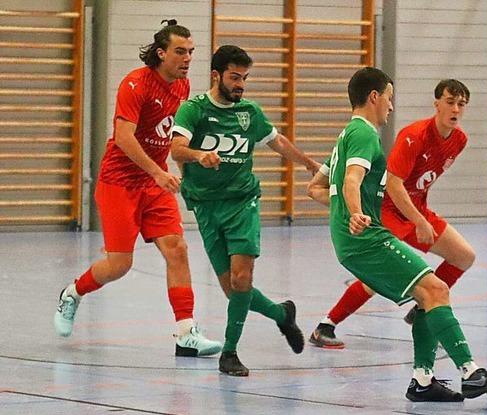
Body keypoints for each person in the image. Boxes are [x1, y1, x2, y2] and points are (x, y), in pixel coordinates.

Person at [307, 67, 487, 402]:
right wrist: (358, 213)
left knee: (428, 294)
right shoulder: (365, 135)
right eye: (389, 97)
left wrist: (345, 211)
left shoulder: (348, 135)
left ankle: (422, 380)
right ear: (374, 97)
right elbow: (351, 182)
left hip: (356, 238)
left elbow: (317, 188)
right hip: (368, 237)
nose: (391, 105)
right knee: (435, 290)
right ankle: (471, 373)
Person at [53, 20, 222, 358]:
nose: (187, 58)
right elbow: (125, 137)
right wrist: (157, 173)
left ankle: (186, 332)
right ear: (161, 53)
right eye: (180, 51)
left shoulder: (183, 86)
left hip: (153, 182)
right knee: (119, 264)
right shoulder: (135, 84)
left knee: (177, 248)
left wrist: (182, 171)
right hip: (119, 182)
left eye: (191, 52)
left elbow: (170, 136)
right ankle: (73, 292)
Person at [170, 45, 320, 377]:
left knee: (242, 279)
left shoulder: (248, 113)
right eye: (234, 77)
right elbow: (176, 149)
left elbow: (277, 141)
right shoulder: (193, 110)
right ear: (215, 75)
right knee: (233, 290)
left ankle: (230, 353)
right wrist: (199, 155)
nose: (240, 85)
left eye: (244, 78)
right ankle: (282, 315)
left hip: (242, 202)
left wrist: (309, 163)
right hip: (207, 208)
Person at [309, 79, 475, 350]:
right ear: (436, 104)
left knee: (464, 256)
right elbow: (394, 184)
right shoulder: (413, 135)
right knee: (376, 278)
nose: (455, 109)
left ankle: (424, 308)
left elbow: (421, 181)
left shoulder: (459, 140)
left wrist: (421, 216)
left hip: (415, 208)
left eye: (461, 104)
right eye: (449, 102)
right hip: (389, 209)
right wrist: (418, 221)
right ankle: (326, 325)